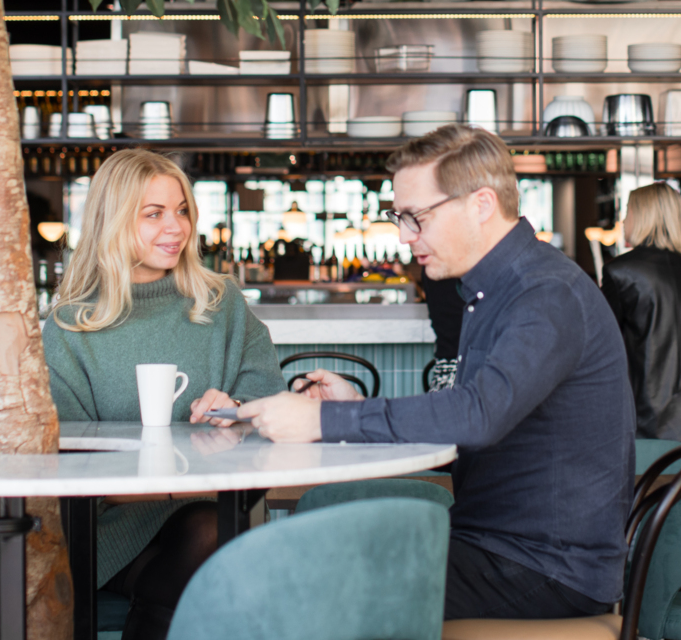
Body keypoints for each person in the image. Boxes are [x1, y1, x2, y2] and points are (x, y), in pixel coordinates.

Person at [239, 124, 635, 622]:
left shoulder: (545, 294)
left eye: (416, 217)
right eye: (398, 217)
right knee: (305, 557)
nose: (405, 237)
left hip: (547, 568)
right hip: (499, 546)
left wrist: (321, 422)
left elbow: (478, 416)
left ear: (482, 204)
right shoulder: (496, 289)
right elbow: (470, 421)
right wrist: (350, 410)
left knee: (306, 579)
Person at [43, 149, 284, 640]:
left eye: (181, 210)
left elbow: (271, 399)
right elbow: (66, 452)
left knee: (208, 534)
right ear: (112, 222)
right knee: (210, 547)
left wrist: (237, 410)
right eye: (153, 214)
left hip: (202, 510)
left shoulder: (222, 303)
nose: (175, 227)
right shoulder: (71, 325)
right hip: (105, 524)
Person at [601, 183, 681, 443]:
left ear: (642, 216)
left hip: (645, 422)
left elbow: (603, 348)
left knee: (647, 485)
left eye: (628, 211)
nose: (623, 219)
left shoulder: (619, 271)